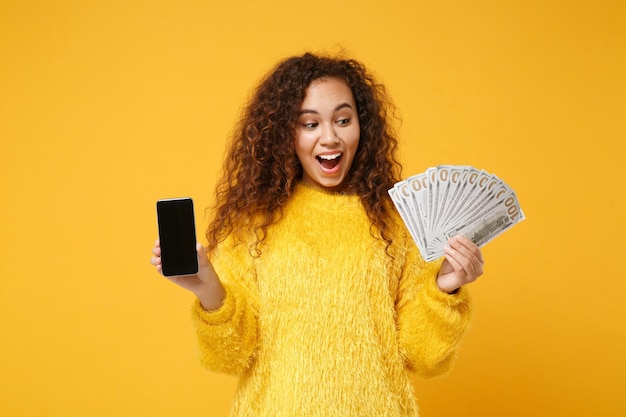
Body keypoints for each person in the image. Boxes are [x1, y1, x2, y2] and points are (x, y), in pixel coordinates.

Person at [150, 52, 484, 417]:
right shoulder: (253, 225)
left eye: (343, 120)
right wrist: (208, 289)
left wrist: (444, 290)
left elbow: (425, 358)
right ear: (284, 133)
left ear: (363, 126)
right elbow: (230, 357)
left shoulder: (399, 222)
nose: (330, 138)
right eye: (310, 124)